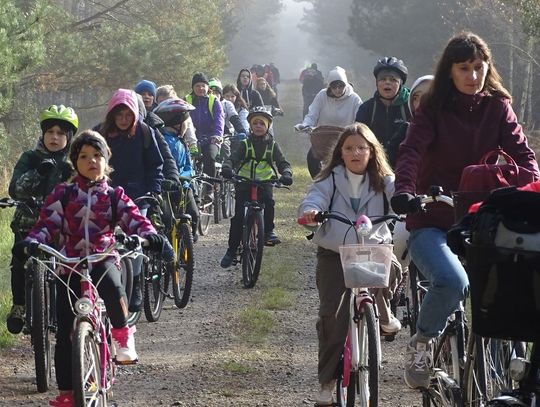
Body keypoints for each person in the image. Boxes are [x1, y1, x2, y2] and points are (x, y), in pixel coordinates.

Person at [390, 32, 540, 390]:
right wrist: (405, 190)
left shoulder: (498, 107)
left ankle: (517, 368)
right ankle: (423, 342)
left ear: (487, 66)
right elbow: (411, 152)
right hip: (434, 219)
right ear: (450, 72)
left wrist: (516, 183)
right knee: (453, 281)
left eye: (478, 66)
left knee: (522, 281)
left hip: (484, 222)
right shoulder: (432, 110)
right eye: (464, 68)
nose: (473, 75)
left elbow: (528, 162)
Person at [13, 130, 171, 407]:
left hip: (103, 256)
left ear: (106, 160)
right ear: (75, 163)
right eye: (84, 156)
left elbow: (135, 219)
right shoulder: (63, 194)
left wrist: (151, 236)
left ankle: (122, 336)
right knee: (64, 333)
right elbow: (47, 224)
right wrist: (32, 241)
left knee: (112, 286)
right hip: (70, 264)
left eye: (97, 155)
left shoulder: (114, 195)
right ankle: (66, 392)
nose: (91, 161)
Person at [298, 123, 402, 406]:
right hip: (335, 251)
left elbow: (400, 198)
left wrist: (408, 205)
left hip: (373, 248)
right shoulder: (330, 178)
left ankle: (380, 309)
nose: (355, 152)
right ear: (340, 153)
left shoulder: (385, 180)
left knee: (393, 267)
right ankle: (328, 383)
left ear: (372, 151)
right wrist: (310, 212)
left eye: (361, 147)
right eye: (349, 148)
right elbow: (314, 198)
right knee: (332, 315)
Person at [5, 105, 78, 334]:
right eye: (50, 132)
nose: (54, 137)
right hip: (29, 223)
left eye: (60, 133)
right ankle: (19, 306)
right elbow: (15, 190)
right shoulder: (30, 157)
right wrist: (39, 173)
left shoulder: (75, 160)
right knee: (19, 260)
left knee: (73, 266)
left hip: (63, 227)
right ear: (43, 134)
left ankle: (74, 307)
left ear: (69, 137)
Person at [96, 88, 164, 311]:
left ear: (135, 114)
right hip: (106, 196)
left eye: (128, 115)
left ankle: (134, 285)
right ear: (112, 115)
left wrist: (153, 191)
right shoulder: (99, 135)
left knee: (134, 243)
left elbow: (156, 164)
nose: (124, 120)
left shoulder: (144, 133)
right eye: (119, 115)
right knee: (104, 242)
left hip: (137, 197)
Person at [220, 107, 293, 267]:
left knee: (269, 202)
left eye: (262, 123)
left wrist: (286, 173)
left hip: (264, 182)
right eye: (255, 123)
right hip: (244, 182)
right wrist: (227, 168)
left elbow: (282, 162)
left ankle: (268, 231)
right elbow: (232, 158)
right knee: (238, 218)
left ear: (267, 126)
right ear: (250, 126)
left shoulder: (273, 146)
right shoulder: (244, 144)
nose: (258, 126)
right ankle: (232, 250)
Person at [295, 66, 362, 178]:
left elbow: (360, 119)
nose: (337, 89)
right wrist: (305, 125)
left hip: (346, 140)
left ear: (346, 84)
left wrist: (356, 131)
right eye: (334, 86)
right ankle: (319, 183)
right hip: (324, 140)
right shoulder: (322, 95)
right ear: (329, 86)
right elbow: (312, 114)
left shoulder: (354, 99)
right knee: (312, 158)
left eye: (341, 86)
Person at [154, 98, 200, 242]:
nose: (187, 127)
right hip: (166, 188)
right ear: (177, 123)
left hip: (183, 185)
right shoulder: (163, 141)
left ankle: (188, 241)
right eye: (186, 123)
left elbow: (188, 166)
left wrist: (186, 177)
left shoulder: (181, 141)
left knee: (194, 214)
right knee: (166, 219)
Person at [355, 57, 411, 167]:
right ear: (376, 83)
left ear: (400, 84)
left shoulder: (410, 106)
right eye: (383, 79)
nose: (387, 82)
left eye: (393, 79)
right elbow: (357, 140)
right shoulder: (367, 108)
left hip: (405, 166)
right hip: (374, 166)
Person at [185, 72, 225, 180]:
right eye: (197, 86)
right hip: (191, 139)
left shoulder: (214, 100)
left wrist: (217, 135)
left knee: (210, 157)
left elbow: (219, 119)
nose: (200, 88)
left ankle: (209, 190)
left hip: (210, 139)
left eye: (203, 85)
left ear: (208, 87)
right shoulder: (186, 100)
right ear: (193, 87)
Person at [155, 84, 198, 154]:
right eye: (161, 102)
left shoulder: (182, 113)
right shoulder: (157, 112)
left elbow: (189, 128)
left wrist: (193, 145)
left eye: (168, 101)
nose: (165, 105)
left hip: (180, 143)